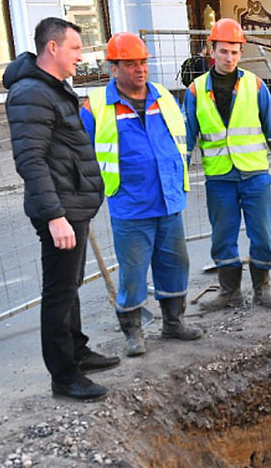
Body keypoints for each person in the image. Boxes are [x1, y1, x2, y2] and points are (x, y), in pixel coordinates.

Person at [3, 17, 120, 400]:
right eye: (74, 48)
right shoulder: (32, 94)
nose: (80, 56)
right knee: (58, 291)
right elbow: (31, 160)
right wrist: (55, 216)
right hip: (59, 209)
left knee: (70, 287)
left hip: (71, 203)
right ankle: (65, 376)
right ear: (52, 48)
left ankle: (77, 350)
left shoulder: (53, 89)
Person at [80, 32, 202, 358]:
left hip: (168, 198)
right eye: (131, 63)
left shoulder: (162, 96)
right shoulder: (97, 108)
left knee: (175, 264)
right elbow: (80, 156)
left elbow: (179, 139)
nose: (140, 69)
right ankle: (133, 332)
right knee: (133, 272)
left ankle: (173, 322)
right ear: (113, 68)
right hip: (131, 204)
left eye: (143, 62)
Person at [183, 18, 271, 310]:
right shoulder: (196, 91)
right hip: (219, 178)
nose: (229, 58)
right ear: (212, 50)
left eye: (235, 52)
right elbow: (185, 139)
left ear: (241, 52)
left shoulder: (255, 85)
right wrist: (180, 176)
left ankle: (262, 289)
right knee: (223, 237)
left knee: (261, 233)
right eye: (224, 51)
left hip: (254, 176)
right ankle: (230, 292)